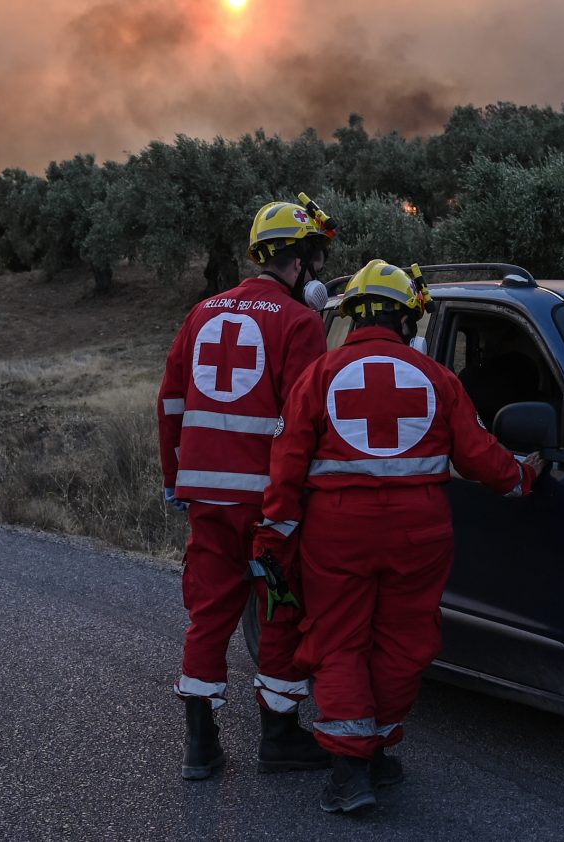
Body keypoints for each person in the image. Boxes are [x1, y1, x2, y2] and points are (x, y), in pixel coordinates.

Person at [253, 259, 546, 813]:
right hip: (420, 533)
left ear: (353, 316)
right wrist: (524, 477)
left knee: (339, 641)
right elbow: (483, 458)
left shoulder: (319, 376)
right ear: (407, 318)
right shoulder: (437, 378)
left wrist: (273, 539)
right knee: (403, 643)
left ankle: (350, 773)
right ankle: (378, 753)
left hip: (337, 533)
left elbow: (285, 469)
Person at [157, 196, 336, 781]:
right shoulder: (300, 322)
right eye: (314, 257)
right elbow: (304, 421)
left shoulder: (201, 313)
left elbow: (170, 404)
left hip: (207, 497)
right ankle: (279, 738)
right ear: (299, 261)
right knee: (279, 611)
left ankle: (199, 746)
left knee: (209, 612)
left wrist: (176, 481)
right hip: (267, 503)